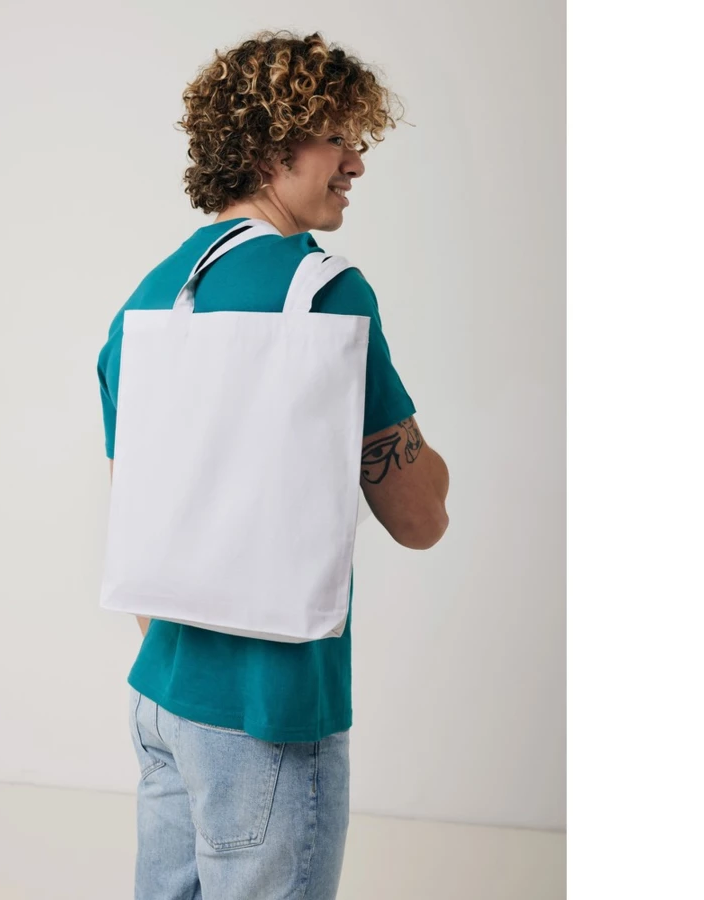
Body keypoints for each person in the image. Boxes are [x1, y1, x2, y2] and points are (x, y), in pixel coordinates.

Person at [97, 29, 450, 900]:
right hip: (271, 713)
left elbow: (139, 521)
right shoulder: (326, 294)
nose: (356, 163)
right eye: (337, 138)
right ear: (269, 146)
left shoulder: (143, 306)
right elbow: (419, 519)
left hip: (162, 699)